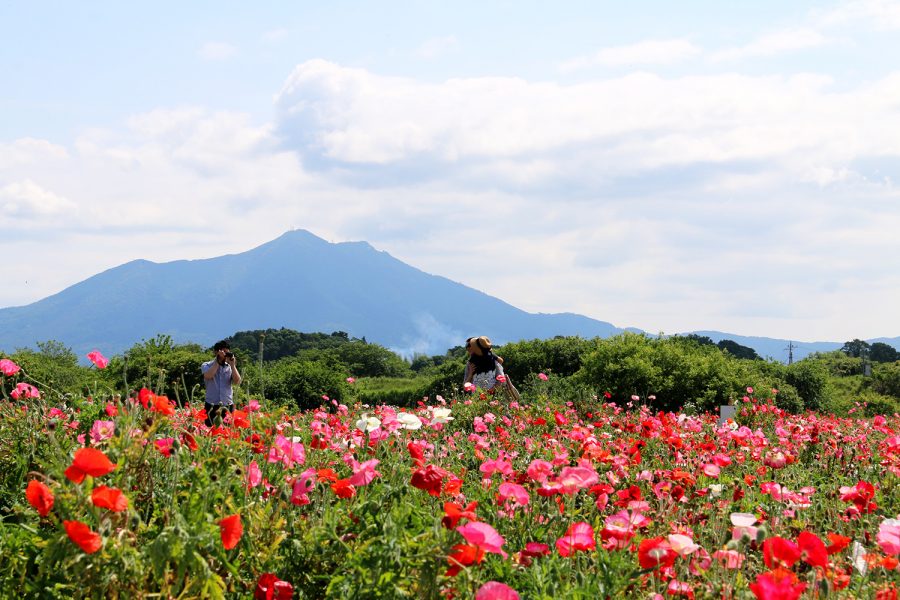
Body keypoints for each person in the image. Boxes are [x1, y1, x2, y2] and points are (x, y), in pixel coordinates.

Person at [464, 336, 520, 401]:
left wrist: (488, 393)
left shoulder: (494, 362)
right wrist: (470, 374)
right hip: (477, 400)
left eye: (470, 345)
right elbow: (465, 386)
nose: (468, 348)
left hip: (494, 399)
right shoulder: (470, 364)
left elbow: (502, 381)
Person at [201, 340, 241, 426]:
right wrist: (218, 361)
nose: (224, 355)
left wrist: (233, 365)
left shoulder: (229, 367)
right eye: (222, 352)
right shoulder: (206, 365)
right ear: (215, 352)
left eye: (226, 353)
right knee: (210, 431)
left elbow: (237, 381)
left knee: (227, 434)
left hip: (227, 405)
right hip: (211, 406)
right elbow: (208, 376)